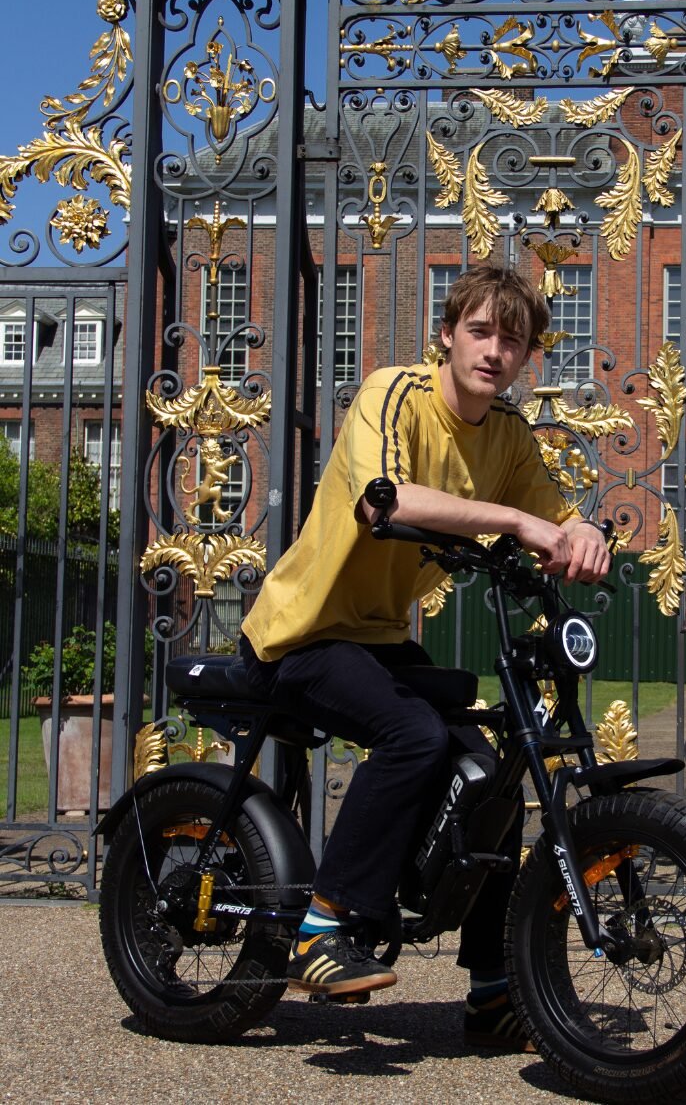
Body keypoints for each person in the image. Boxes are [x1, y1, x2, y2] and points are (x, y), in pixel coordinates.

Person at [238, 264, 610, 1051]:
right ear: (447, 334)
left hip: (377, 636)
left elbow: (559, 515)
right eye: (480, 331)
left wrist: (584, 534)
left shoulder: (507, 435)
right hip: (302, 630)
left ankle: (493, 988)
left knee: (491, 776)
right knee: (414, 735)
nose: (495, 351)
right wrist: (515, 523)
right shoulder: (393, 392)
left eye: (514, 339)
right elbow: (384, 498)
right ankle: (322, 925)